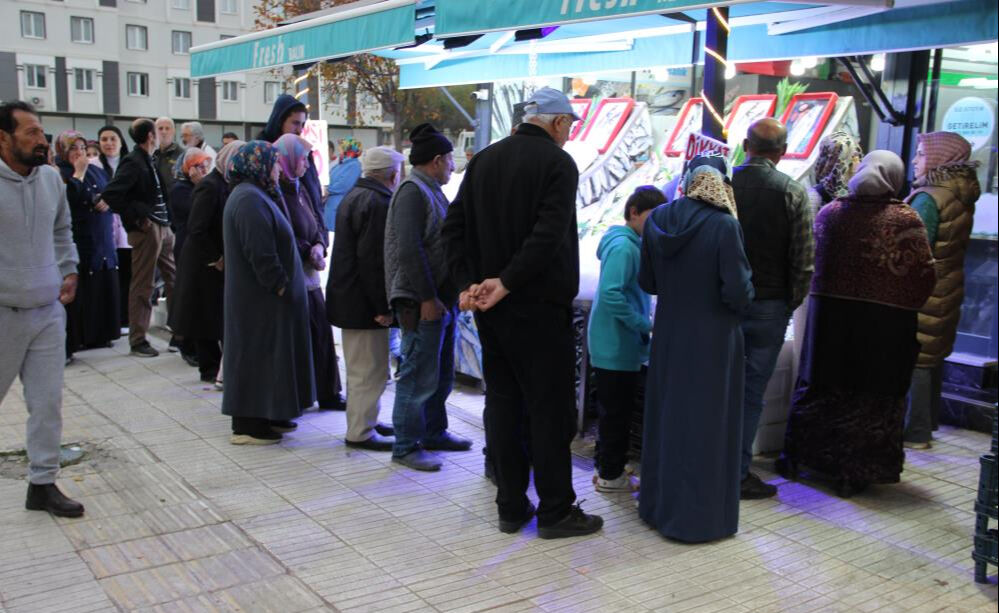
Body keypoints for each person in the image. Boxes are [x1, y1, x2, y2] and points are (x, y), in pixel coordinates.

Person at [442, 87, 602, 539]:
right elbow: (547, 235)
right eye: (569, 124)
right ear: (555, 122)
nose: (570, 133)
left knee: (504, 404)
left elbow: (451, 230)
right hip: (537, 307)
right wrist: (507, 282)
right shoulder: (557, 163)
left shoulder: (484, 161)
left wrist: (468, 283)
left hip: (492, 311)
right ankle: (556, 510)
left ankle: (510, 506)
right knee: (548, 410)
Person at [778, 151, 936, 497]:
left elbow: (810, 261)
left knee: (822, 387)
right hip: (884, 330)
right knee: (870, 397)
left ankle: (800, 456)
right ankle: (854, 470)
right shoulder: (905, 220)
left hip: (828, 323)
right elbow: (923, 276)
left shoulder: (831, 214)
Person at [638, 163, 754, 542]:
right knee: (709, 426)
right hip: (714, 339)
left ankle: (657, 508)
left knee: (667, 419)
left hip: (670, 334)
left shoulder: (658, 219)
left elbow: (648, 282)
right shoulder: (724, 225)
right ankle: (698, 519)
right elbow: (737, 290)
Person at [0, 101, 84, 518]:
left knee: (48, 402)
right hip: (3, 312)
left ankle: (42, 484)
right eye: (31, 132)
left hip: (47, 311)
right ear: (3, 138)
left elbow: (61, 229)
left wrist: (68, 269)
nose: (41, 140)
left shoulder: (51, 179)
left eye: (41, 131)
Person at [731, 118, 814, 500]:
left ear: (746, 145)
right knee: (750, 393)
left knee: (714, 385)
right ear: (781, 152)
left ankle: (704, 460)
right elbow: (803, 259)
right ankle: (737, 472)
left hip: (722, 304)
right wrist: (789, 301)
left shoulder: (723, 186)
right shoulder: (792, 192)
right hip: (769, 304)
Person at [384, 123, 471, 472]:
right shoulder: (411, 191)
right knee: (417, 376)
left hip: (440, 298)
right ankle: (405, 445)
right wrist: (426, 298)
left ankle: (435, 431)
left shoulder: (431, 188)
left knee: (439, 374)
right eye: (450, 160)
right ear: (437, 160)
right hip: (420, 301)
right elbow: (408, 250)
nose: (453, 166)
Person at [222, 141, 314, 444]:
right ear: (258, 165)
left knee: (268, 358)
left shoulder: (256, 194)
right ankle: (248, 424)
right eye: (274, 164)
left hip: (264, 300)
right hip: (259, 300)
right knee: (255, 358)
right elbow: (260, 252)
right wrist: (280, 285)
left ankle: (268, 413)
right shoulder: (249, 199)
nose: (278, 170)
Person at [903, 132, 981, 449]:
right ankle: (928, 422)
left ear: (937, 159)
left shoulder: (929, 198)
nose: (914, 160)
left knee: (918, 358)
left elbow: (914, 249)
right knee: (932, 356)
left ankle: (916, 431)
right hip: (947, 286)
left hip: (926, 291)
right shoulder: (959, 193)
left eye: (921, 154)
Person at [327, 146, 406, 450]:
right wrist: (382, 307)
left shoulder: (357, 194)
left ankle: (366, 422)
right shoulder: (376, 202)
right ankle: (359, 432)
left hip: (351, 300)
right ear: (391, 174)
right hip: (362, 304)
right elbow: (374, 262)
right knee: (367, 370)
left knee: (366, 368)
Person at [588, 186, 661, 494]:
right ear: (633, 212)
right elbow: (610, 294)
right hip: (615, 344)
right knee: (616, 413)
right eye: (651, 217)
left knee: (612, 411)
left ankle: (608, 466)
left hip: (617, 343)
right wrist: (642, 324)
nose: (656, 225)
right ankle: (610, 475)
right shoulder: (624, 248)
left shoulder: (629, 244)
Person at [273, 134, 342, 411]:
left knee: (322, 334)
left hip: (311, 275)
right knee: (306, 336)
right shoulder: (278, 192)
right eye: (302, 158)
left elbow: (315, 221)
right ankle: (306, 394)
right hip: (296, 275)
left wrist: (319, 245)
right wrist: (307, 249)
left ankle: (328, 392)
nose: (306, 164)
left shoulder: (299, 188)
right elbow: (285, 232)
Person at [101, 118, 177, 358]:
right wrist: (139, 217)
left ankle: (182, 332)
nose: (161, 135)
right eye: (157, 131)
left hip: (163, 227)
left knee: (174, 279)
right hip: (148, 229)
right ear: (150, 136)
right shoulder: (133, 162)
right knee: (143, 284)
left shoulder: (148, 160)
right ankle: (138, 339)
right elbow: (112, 195)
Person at [793, 132, 862, 371]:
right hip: (815, 287)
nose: (858, 163)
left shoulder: (855, 197)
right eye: (853, 157)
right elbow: (806, 245)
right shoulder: (815, 197)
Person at [175, 141, 242, 384]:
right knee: (205, 316)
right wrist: (216, 257)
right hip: (204, 262)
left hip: (215, 260)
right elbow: (197, 227)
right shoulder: (210, 186)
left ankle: (217, 367)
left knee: (213, 314)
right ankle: (209, 368)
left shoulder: (225, 184)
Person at [53, 130, 120, 356]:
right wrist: (78, 173)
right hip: (78, 238)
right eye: (73, 148)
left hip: (101, 237)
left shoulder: (96, 171)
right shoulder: (59, 172)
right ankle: (79, 338)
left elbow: (111, 192)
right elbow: (69, 199)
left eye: (82, 148)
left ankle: (101, 334)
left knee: (103, 282)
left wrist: (107, 202)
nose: (79, 153)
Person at [167, 148, 213, 368]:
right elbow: (194, 211)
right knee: (187, 295)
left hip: (197, 246)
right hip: (186, 245)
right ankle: (183, 341)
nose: (203, 170)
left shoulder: (202, 186)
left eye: (206, 165)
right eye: (198, 166)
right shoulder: (180, 188)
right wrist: (200, 185)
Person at [97, 125, 132, 330]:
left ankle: (125, 318)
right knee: (111, 276)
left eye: (112, 139)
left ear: (121, 141)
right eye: (104, 139)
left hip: (127, 229)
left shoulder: (129, 164)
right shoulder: (94, 165)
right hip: (105, 229)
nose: (108, 143)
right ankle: (112, 319)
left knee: (128, 275)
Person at [324, 138, 363, 231]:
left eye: (342, 147)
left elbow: (344, 185)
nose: (339, 149)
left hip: (339, 204)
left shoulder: (354, 165)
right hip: (330, 204)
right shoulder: (341, 164)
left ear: (348, 149)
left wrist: (328, 190)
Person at [155, 117, 183, 194]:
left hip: (173, 201)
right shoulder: (150, 154)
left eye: (167, 128)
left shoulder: (182, 154)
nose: (164, 132)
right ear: (154, 131)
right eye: (160, 128)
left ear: (174, 132)